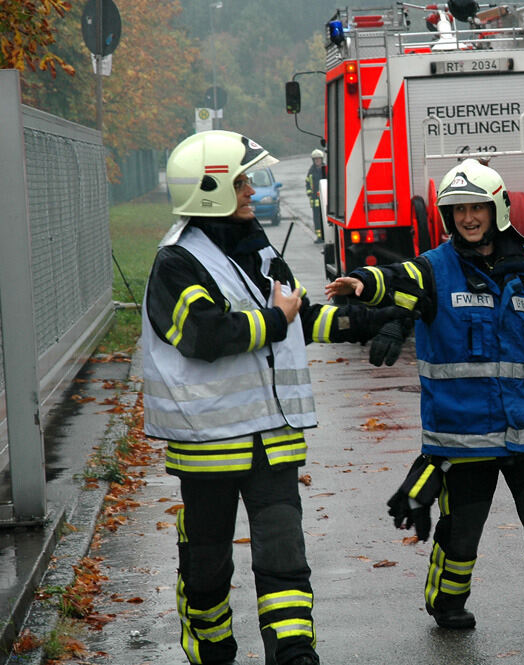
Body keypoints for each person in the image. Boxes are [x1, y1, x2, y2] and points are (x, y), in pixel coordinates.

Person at [325, 158, 524, 640]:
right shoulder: (434, 270)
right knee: (459, 535)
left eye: (475, 208)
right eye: (457, 210)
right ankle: (447, 604)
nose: (467, 218)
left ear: (496, 209)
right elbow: (394, 278)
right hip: (463, 438)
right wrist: (363, 281)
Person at [143, 130, 401, 665]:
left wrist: (373, 319)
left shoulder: (257, 249)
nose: (248, 191)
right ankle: (212, 647)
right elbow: (206, 334)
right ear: (208, 189)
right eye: (237, 182)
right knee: (208, 564)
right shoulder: (176, 263)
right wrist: (276, 318)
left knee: (284, 554)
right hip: (208, 446)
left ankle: (293, 650)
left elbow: (302, 318)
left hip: (273, 442)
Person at [305, 149, 326, 244]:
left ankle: (326, 235)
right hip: (315, 200)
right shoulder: (311, 171)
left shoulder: (326, 169)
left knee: (326, 219)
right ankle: (319, 237)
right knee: (317, 220)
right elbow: (308, 183)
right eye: (316, 159)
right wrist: (310, 193)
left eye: (319, 159)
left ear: (322, 159)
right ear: (313, 160)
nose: (317, 161)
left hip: (326, 200)